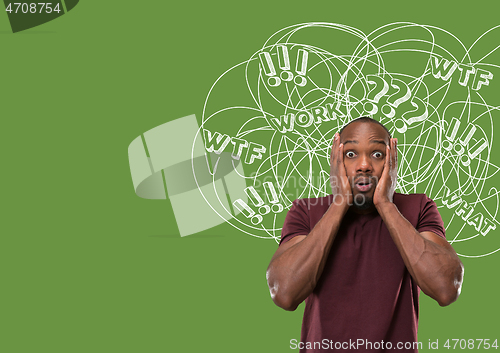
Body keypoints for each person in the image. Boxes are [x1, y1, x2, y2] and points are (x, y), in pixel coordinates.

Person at [266, 117, 464, 352]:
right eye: (350, 154)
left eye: (377, 155)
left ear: (392, 161)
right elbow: (284, 294)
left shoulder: (419, 207)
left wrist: (386, 205)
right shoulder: (306, 211)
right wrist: (339, 203)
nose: (364, 165)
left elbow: (446, 289)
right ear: (335, 159)